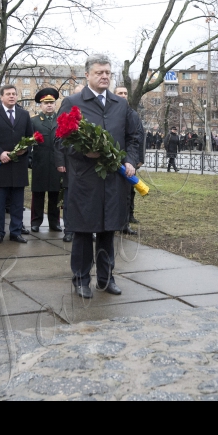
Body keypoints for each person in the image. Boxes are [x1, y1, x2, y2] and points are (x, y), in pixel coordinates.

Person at [57, 56, 140, 300]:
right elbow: (60, 139)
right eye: (99, 72)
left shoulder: (120, 104)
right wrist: (83, 150)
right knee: (83, 231)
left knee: (107, 230)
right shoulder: (73, 102)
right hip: (85, 180)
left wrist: (130, 160)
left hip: (113, 181)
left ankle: (106, 278)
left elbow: (134, 136)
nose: (105, 76)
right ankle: (81, 279)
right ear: (88, 76)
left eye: (108, 72)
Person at [0, 85, 33, 245]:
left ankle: (16, 232)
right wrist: (0, 153)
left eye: (14, 94)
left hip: (18, 165)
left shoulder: (24, 115)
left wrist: (24, 150)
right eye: (8, 94)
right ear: (1, 97)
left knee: (18, 202)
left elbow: (30, 138)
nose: (12, 96)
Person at [30, 88, 63, 233]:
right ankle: (35, 221)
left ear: (55, 104)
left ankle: (54, 222)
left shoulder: (61, 121)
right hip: (40, 163)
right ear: (40, 105)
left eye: (51, 103)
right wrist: (30, 161)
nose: (49, 105)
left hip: (56, 164)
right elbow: (28, 142)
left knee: (55, 195)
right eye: (46, 103)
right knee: (38, 194)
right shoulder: (34, 121)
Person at [115, 86, 145, 235]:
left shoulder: (132, 114)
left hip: (127, 160)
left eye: (125, 93)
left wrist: (137, 159)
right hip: (110, 159)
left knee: (127, 194)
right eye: (120, 93)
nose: (123, 95)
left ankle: (124, 224)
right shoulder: (109, 111)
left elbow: (138, 137)